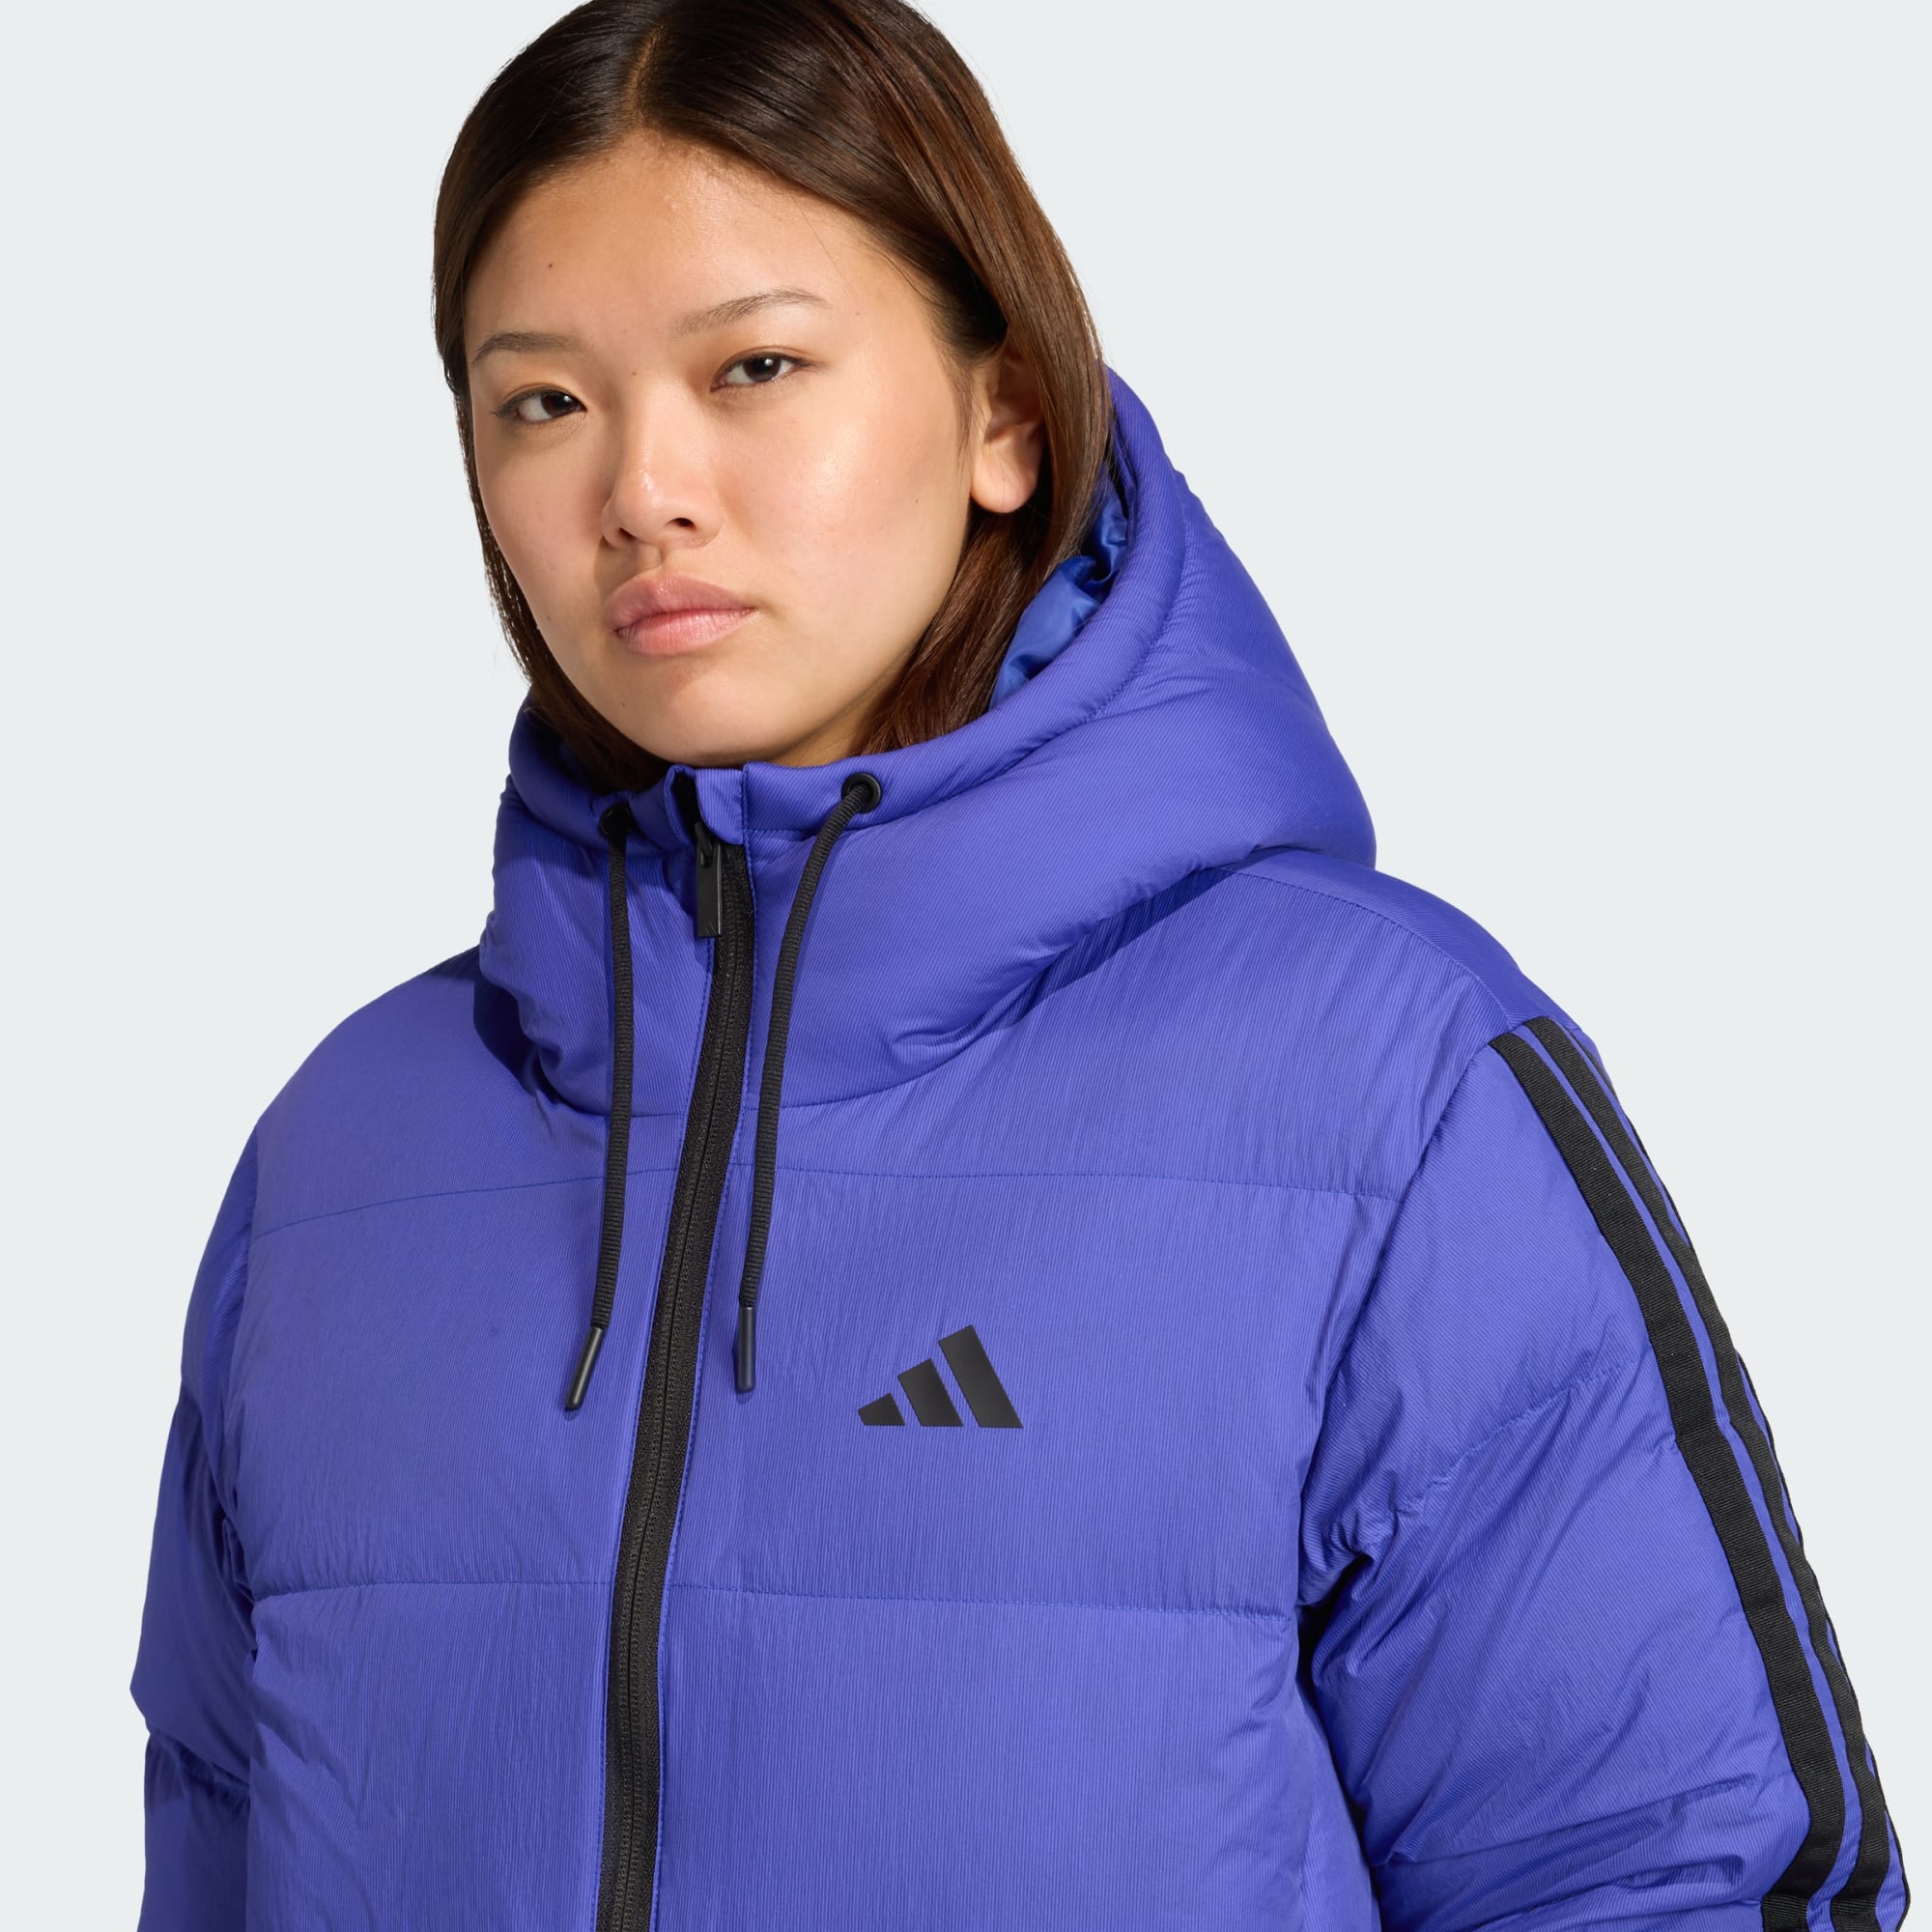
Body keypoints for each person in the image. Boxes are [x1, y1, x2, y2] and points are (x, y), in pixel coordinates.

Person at [128, 2, 1909, 1927]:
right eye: (541, 401)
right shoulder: (346, 1159)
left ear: (1008, 419)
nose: (641, 488)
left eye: (753, 367)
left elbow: (1670, 1875)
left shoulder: (1376, 1084)